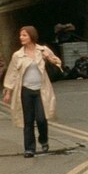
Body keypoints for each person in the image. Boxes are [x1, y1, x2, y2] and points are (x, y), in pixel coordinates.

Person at [2, 26, 62, 158]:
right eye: (20, 35)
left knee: (41, 118)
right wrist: (8, 92)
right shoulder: (17, 55)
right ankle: (29, 149)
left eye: (24, 35)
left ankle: (43, 139)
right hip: (25, 91)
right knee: (28, 120)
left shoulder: (43, 50)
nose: (21, 37)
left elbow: (57, 62)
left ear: (32, 36)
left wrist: (49, 58)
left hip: (41, 90)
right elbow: (12, 74)